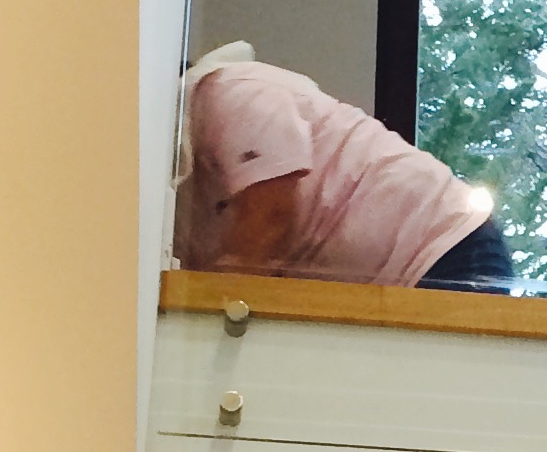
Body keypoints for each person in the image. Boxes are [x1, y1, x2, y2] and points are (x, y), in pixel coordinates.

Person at [173, 48, 514, 290]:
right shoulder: (181, 185)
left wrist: (211, 313)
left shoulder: (229, 91)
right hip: (403, 275)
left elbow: (269, 219)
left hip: (446, 250)